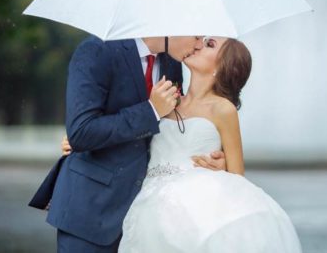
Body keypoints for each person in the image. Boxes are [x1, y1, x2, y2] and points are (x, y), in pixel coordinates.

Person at [63, 36, 302, 252]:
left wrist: (223, 166)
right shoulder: (170, 98)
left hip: (195, 209)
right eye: (200, 39)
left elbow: (237, 177)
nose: (198, 43)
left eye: (208, 44)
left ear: (222, 66)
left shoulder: (219, 106)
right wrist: (81, 137)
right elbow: (137, 124)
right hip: (144, 204)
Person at [29, 35, 226, 253]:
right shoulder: (97, 50)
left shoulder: (172, 62)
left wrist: (213, 158)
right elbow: (82, 131)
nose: (198, 44)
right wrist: (150, 110)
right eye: (196, 36)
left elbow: (173, 125)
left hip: (149, 218)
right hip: (93, 210)